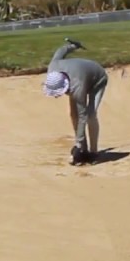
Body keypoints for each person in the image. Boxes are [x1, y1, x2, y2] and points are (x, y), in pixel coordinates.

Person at [42, 37, 109, 166]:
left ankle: (93, 152)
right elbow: (60, 52)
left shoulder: (77, 86)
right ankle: (83, 148)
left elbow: (82, 115)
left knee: (90, 114)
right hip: (79, 76)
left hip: (97, 79)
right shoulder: (53, 68)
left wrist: (77, 143)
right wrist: (73, 46)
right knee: (73, 114)